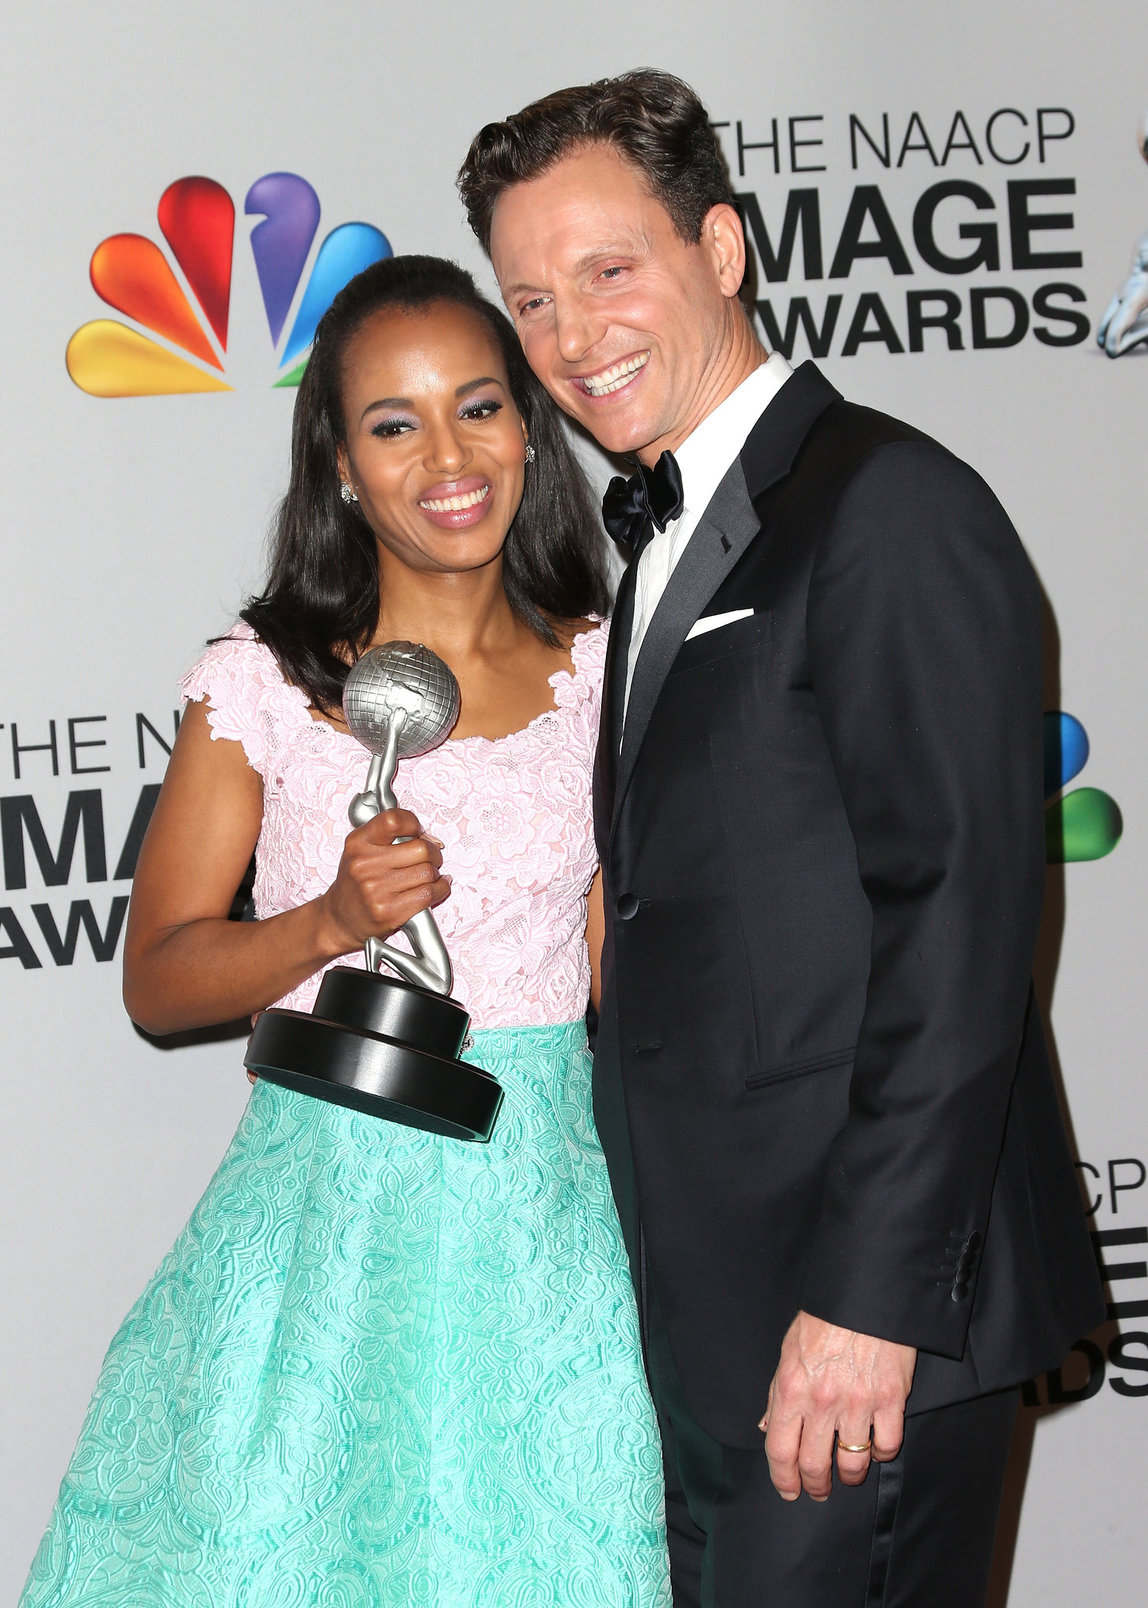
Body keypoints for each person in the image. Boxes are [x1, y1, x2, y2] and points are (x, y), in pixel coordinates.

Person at [458, 70, 1106, 1608]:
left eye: (612, 272)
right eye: (532, 300)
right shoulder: (655, 534)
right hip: (719, 1318)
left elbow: (958, 918)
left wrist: (868, 1302)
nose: (572, 338)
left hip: (856, 1322)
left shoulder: (886, 507)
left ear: (724, 249)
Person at [20, 255, 671, 1608]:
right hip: (321, 1228)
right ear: (337, 464)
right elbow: (160, 981)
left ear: (529, 428)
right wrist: (326, 921)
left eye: (480, 408)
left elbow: (636, 983)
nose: (448, 456)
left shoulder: (607, 668)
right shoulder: (260, 682)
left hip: (541, 1227)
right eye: (395, 423)